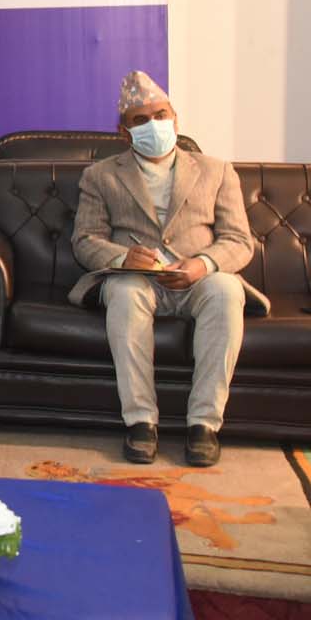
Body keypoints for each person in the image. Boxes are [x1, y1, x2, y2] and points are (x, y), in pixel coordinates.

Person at [70, 71, 262, 467]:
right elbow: (85, 240)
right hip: (137, 280)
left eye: (161, 115)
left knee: (226, 290)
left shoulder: (216, 170)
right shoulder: (100, 176)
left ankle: (204, 425)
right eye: (141, 120)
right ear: (124, 132)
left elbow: (239, 241)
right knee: (125, 291)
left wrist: (203, 264)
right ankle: (140, 422)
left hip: (200, 280)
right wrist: (122, 258)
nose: (153, 125)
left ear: (175, 120)